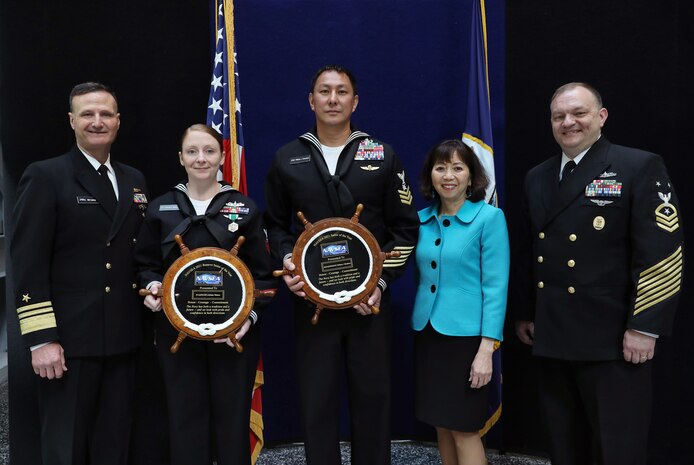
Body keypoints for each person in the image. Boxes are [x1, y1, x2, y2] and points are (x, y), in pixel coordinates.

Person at [514, 82, 684, 465]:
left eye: (579, 113)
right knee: (563, 448)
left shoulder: (637, 165)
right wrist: (526, 311)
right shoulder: (537, 176)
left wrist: (645, 326)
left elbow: (662, 253)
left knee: (615, 450)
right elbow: (532, 251)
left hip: (613, 340)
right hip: (553, 334)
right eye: (559, 116)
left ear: (601, 117)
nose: (568, 122)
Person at [264, 64, 419, 465]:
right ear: (311, 100)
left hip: (369, 307)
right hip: (310, 305)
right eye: (325, 91)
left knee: (374, 401)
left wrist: (379, 286)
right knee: (316, 405)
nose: (333, 99)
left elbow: (404, 231)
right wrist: (288, 265)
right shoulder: (288, 157)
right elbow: (274, 226)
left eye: (342, 91)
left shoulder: (382, 154)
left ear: (355, 101)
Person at [10, 82, 149, 465]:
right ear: (72, 121)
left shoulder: (134, 179)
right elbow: (27, 264)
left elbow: (139, 255)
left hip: (122, 336)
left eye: (106, 114)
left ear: (118, 122)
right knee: (65, 448)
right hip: (68, 342)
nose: (97, 121)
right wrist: (41, 340)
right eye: (87, 114)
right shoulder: (46, 176)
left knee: (114, 446)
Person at [134, 124, 274, 465]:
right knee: (184, 421)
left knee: (231, 424)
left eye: (209, 151)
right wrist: (152, 288)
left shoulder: (244, 209)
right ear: (180, 158)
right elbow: (144, 266)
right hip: (175, 335)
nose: (201, 159)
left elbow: (263, 279)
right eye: (193, 151)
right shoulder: (160, 209)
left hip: (233, 337)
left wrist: (248, 319)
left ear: (223, 157)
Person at [412, 140, 509, 465]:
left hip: (468, 341)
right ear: (431, 175)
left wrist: (486, 350)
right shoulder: (420, 220)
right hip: (429, 333)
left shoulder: (489, 218)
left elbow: (496, 287)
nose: (448, 175)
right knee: (442, 423)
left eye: (457, 168)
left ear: (471, 176)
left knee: (464, 428)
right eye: (441, 168)